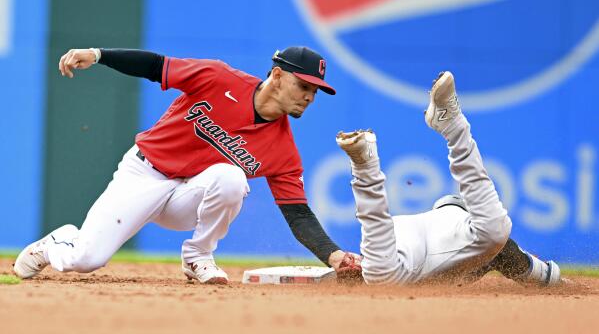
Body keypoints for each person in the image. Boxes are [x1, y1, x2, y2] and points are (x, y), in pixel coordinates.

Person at [14, 46, 361, 284]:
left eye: (316, 92)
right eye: (304, 85)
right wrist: (99, 55)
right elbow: (156, 66)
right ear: (277, 75)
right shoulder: (219, 78)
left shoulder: (283, 151)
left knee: (231, 178)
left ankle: (198, 257)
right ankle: (57, 244)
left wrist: (332, 256)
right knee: (85, 261)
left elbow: (298, 214)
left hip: (187, 198)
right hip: (144, 174)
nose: (309, 97)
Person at [335, 71, 561, 286]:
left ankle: (366, 163)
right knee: (494, 233)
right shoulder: (477, 239)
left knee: (381, 276)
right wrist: (554, 279)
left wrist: (364, 268)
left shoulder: (453, 232)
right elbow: (543, 275)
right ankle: (366, 166)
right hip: (423, 241)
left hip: (402, 241)